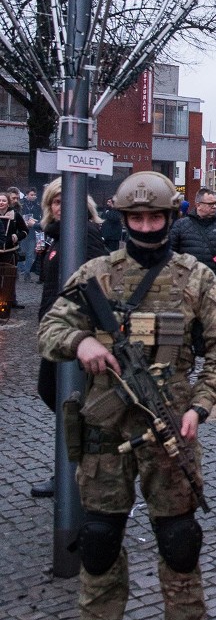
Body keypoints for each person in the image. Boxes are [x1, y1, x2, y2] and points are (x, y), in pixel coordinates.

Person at [38, 171, 216, 620]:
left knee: (179, 541)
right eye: (136, 218)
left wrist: (200, 406)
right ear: (124, 220)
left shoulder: (196, 279)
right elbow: (49, 329)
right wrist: (80, 342)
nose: (147, 227)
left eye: (155, 217)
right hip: (104, 433)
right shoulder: (96, 275)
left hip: (171, 431)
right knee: (100, 542)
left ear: (172, 218)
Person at [31, 180, 107, 499]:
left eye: (66, 200)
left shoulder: (84, 233)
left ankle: (78, 469)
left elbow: (101, 281)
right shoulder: (56, 237)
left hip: (75, 334)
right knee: (56, 395)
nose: (61, 207)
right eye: (55, 202)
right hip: (55, 332)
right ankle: (75, 467)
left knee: (65, 398)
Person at [169, 186, 216, 303]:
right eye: (210, 204)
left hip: (213, 284)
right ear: (198, 205)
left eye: (215, 203)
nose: (214, 206)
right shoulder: (181, 226)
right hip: (187, 287)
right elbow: (170, 253)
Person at [0, 191, 27, 312]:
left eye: (4, 200)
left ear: (8, 203)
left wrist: (17, 236)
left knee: (9, 278)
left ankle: (9, 302)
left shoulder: (15, 215)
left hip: (10, 251)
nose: (1, 203)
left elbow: (25, 231)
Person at [20, 187, 40, 279]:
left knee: (30, 253)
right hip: (22, 230)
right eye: (32, 195)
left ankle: (27, 272)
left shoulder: (37, 206)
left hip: (32, 232)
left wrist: (35, 222)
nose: (33, 197)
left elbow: (40, 218)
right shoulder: (22, 204)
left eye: (35, 195)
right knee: (21, 252)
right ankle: (20, 270)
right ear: (27, 195)